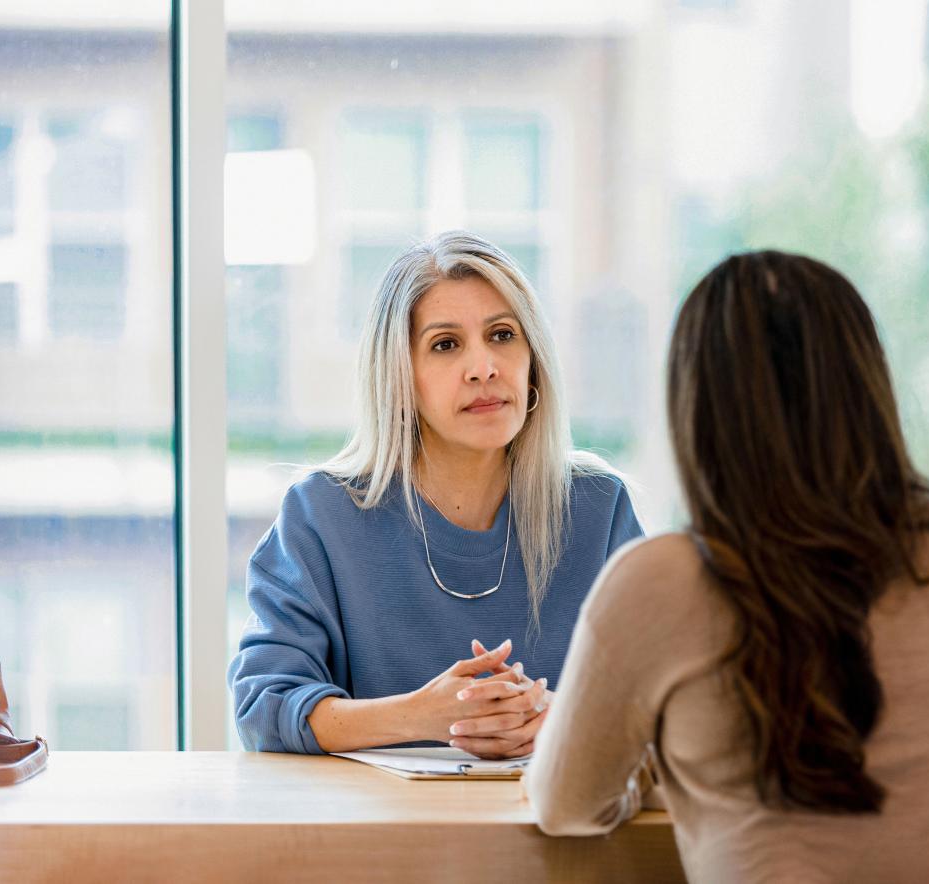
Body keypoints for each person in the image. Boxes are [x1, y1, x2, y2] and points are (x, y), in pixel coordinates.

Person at [524, 251, 929, 882]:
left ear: (698, 406)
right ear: (867, 386)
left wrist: (656, 759)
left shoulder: (663, 580)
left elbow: (565, 806)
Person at [229, 230, 642, 759]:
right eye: (446, 345)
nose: (484, 368)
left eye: (502, 335)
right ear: (400, 376)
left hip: (561, 831)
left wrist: (559, 716)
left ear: (533, 359)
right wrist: (422, 714)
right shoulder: (322, 516)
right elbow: (263, 706)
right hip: (383, 838)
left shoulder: (599, 508)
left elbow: (675, 702)